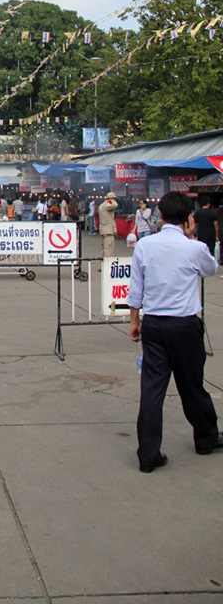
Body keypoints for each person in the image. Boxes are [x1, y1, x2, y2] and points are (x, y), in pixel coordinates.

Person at [127, 191, 223, 472]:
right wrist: (193, 238)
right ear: (188, 218)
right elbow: (210, 270)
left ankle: (148, 454)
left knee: (152, 389)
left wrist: (135, 321)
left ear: (161, 216)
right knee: (192, 385)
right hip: (185, 325)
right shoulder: (193, 248)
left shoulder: (146, 245)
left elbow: (136, 289)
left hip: (154, 324)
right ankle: (205, 438)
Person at [98, 192, 118, 256]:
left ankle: (102, 265)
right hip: (108, 231)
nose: (115, 200)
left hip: (104, 230)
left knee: (104, 249)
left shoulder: (102, 206)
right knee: (109, 250)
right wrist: (112, 200)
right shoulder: (106, 205)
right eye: (114, 199)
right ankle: (107, 264)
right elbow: (115, 205)